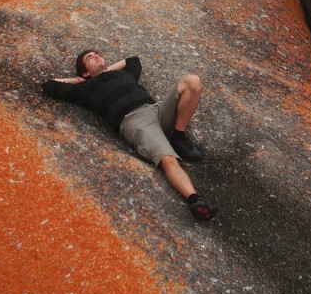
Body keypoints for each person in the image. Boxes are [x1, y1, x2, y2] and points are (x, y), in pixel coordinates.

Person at [42, 51, 218, 221]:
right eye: (90, 58)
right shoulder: (85, 90)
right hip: (136, 122)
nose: (96, 56)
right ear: (85, 71)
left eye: (97, 54)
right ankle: (195, 200)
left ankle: (178, 136)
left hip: (156, 109)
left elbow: (133, 60)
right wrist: (81, 80)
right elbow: (49, 85)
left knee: (192, 81)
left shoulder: (125, 74)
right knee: (168, 159)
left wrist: (105, 70)